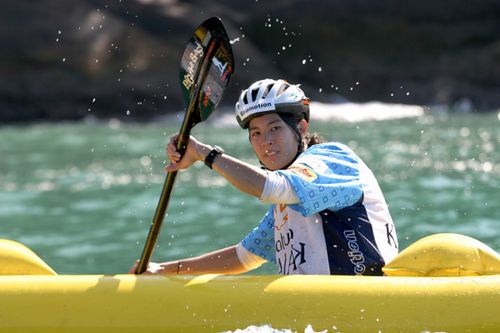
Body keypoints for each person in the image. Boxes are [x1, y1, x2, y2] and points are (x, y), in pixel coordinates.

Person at [130, 78, 398, 276]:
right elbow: (243, 257)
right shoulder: (287, 202)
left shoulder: (332, 160)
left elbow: (270, 186)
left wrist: (203, 153)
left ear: (301, 127)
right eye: (256, 133)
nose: (266, 141)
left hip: (369, 304)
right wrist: (165, 270)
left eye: (275, 128)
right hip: (321, 315)